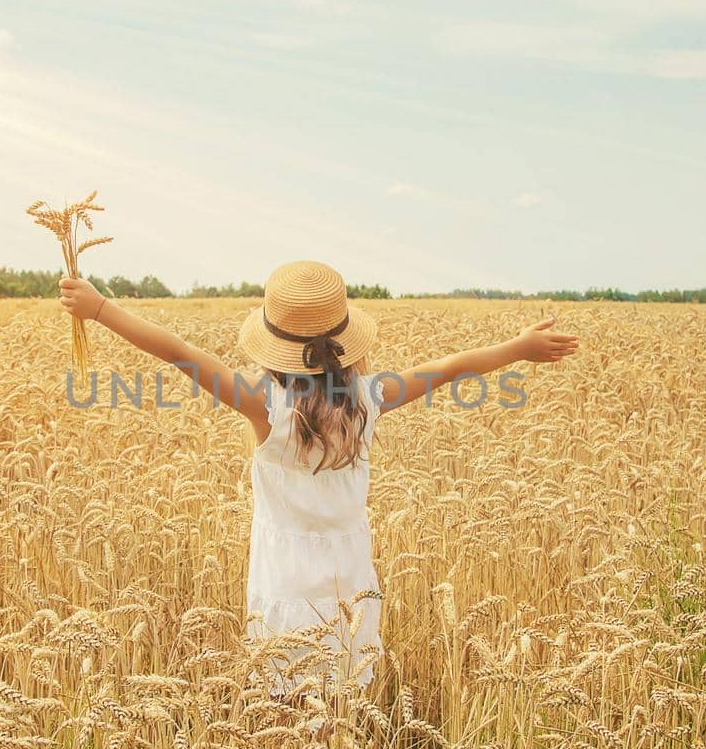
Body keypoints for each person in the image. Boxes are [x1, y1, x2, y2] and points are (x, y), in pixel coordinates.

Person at [58, 261, 578, 697]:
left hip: (284, 582)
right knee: (342, 703)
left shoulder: (264, 406)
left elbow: (178, 354)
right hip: (350, 583)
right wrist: (517, 347)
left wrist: (101, 309)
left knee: (285, 711)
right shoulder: (371, 399)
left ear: (273, 347)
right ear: (346, 344)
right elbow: (447, 367)